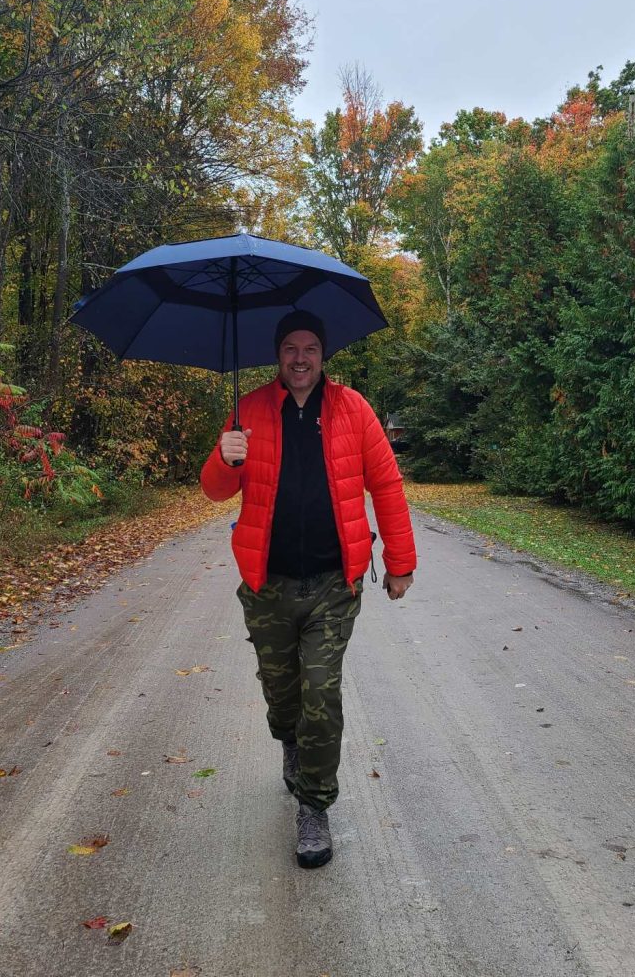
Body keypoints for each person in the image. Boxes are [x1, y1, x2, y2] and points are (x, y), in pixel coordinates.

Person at [200, 309, 416, 869]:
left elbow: (387, 485)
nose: (300, 358)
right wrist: (225, 460)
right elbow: (214, 492)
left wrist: (400, 562)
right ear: (278, 356)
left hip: (331, 584)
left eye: (310, 348)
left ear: (324, 355)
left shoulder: (353, 409)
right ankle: (292, 746)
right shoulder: (248, 409)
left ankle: (314, 805)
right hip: (266, 584)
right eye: (291, 348)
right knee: (284, 696)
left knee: (321, 693)